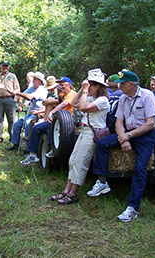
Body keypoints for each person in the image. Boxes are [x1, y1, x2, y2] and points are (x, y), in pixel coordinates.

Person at [86, 70, 155, 223]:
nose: (119, 87)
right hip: (128, 133)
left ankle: (132, 208)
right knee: (102, 144)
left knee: (140, 168)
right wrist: (123, 139)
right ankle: (102, 181)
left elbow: (150, 123)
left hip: (145, 135)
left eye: (122, 84)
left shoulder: (147, 96)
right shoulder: (123, 98)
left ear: (130, 84)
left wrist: (129, 136)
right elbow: (119, 122)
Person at [50, 68, 110, 204]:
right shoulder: (89, 97)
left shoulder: (102, 100)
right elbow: (74, 103)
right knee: (72, 160)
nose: (90, 87)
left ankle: (73, 194)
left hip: (93, 133)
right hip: (84, 130)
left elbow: (82, 108)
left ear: (99, 87)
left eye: (93, 85)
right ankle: (66, 191)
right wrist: (82, 89)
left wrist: (84, 90)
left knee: (81, 162)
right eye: (89, 84)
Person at [20, 77, 77, 165]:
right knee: (36, 128)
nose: (61, 87)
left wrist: (51, 112)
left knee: (51, 125)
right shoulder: (62, 96)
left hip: (68, 121)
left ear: (68, 85)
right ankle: (32, 154)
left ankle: (52, 148)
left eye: (62, 85)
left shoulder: (72, 94)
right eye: (60, 85)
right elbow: (51, 102)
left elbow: (64, 104)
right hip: (58, 119)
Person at [6, 72, 48, 151]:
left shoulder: (42, 90)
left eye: (36, 79)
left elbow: (29, 97)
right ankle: (15, 143)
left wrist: (17, 93)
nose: (34, 80)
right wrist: (20, 104)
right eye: (34, 78)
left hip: (39, 113)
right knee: (17, 124)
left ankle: (28, 146)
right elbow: (23, 94)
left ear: (40, 81)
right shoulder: (32, 88)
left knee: (28, 123)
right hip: (31, 112)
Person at [0, 59, 20, 143]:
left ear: (9, 67)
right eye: (3, 66)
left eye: (6, 66)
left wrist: (15, 99)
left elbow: (17, 88)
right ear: (1, 67)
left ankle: (12, 137)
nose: (5, 68)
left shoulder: (12, 76)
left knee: (11, 119)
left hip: (9, 99)